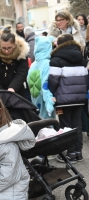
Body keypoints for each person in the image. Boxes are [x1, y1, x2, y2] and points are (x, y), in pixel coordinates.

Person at [48, 34, 88, 163]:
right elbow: (86, 78)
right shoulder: (81, 59)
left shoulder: (56, 60)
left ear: (58, 45)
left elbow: (53, 80)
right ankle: (78, 152)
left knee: (65, 125)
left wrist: (52, 93)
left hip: (63, 99)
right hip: (79, 98)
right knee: (77, 124)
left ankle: (70, 153)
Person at [0, 25, 30, 99]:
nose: (6, 51)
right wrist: (1, 94)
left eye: (9, 48)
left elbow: (21, 73)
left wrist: (12, 88)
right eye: (3, 48)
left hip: (17, 92)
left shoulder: (21, 54)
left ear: (15, 45)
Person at [27, 36, 55, 119]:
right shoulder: (47, 63)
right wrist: (49, 102)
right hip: (44, 99)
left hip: (35, 97)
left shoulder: (33, 64)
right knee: (48, 123)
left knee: (39, 119)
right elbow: (45, 84)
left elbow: (29, 80)